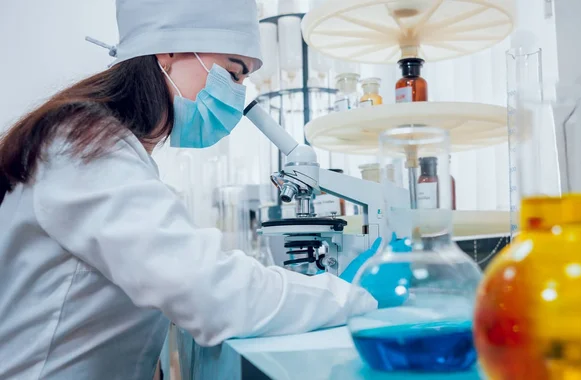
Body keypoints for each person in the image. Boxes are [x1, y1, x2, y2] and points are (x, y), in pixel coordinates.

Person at [0, 1, 379, 379]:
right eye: (233, 73)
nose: (237, 95)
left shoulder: (105, 147)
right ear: (168, 51)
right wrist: (354, 298)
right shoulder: (82, 146)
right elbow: (211, 292)